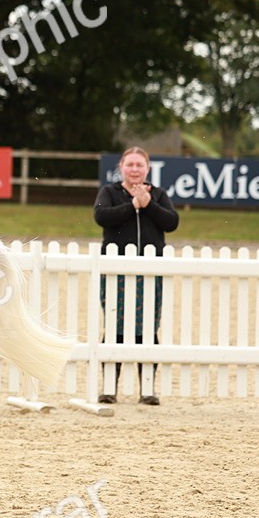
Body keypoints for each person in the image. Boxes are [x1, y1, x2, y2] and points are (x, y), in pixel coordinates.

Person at [93, 146, 179, 405]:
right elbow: (102, 217)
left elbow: (171, 222)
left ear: (147, 168)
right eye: (130, 164)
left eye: (139, 165)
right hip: (115, 270)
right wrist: (132, 205)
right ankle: (109, 389)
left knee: (148, 328)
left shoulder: (159, 194)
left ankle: (148, 390)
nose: (134, 169)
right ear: (121, 166)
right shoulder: (109, 192)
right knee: (115, 326)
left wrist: (148, 205)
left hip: (150, 271)